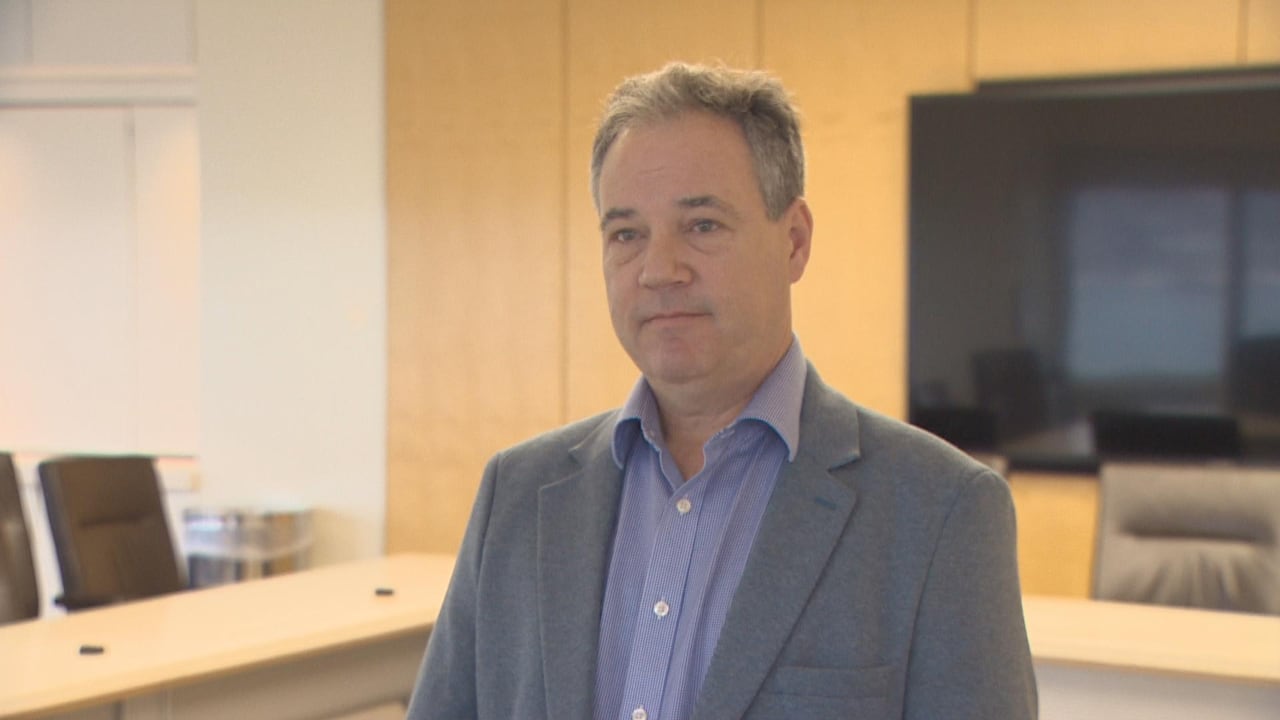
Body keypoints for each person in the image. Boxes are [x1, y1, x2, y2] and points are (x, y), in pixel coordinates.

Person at [405, 62, 1037, 720]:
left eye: (702, 226)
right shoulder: (517, 494)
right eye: (627, 234)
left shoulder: (938, 513)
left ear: (793, 241)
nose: (659, 270)